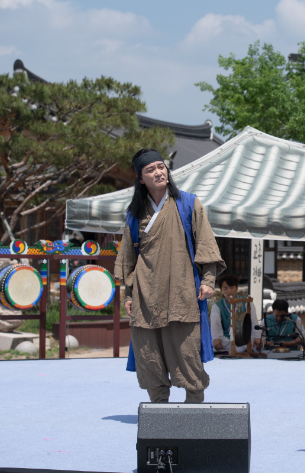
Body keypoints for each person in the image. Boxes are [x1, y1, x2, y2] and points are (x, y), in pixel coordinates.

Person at [115, 148, 226, 404]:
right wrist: (129, 294)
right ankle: (159, 409)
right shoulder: (135, 214)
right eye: (150, 169)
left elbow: (206, 243)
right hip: (145, 295)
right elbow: (129, 260)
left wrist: (209, 281)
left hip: (182, 291)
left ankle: (193, 405)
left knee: (187, 353)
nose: (158, 172)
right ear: (141, 179)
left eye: (160, 167)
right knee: (148, 354)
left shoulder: (188, 203)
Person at [210, 274, 261, 353]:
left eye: (232, 287)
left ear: (237, 287)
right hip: (226, 339)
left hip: (245, 337)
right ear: (221, 290)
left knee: (258, 342)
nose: (229, 291)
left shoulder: (247, 302)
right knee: (216, 344)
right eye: (225, 288)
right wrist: (216, 339)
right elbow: (215, 325)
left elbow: (254, 321)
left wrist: (257, 337)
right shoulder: (217, 306)